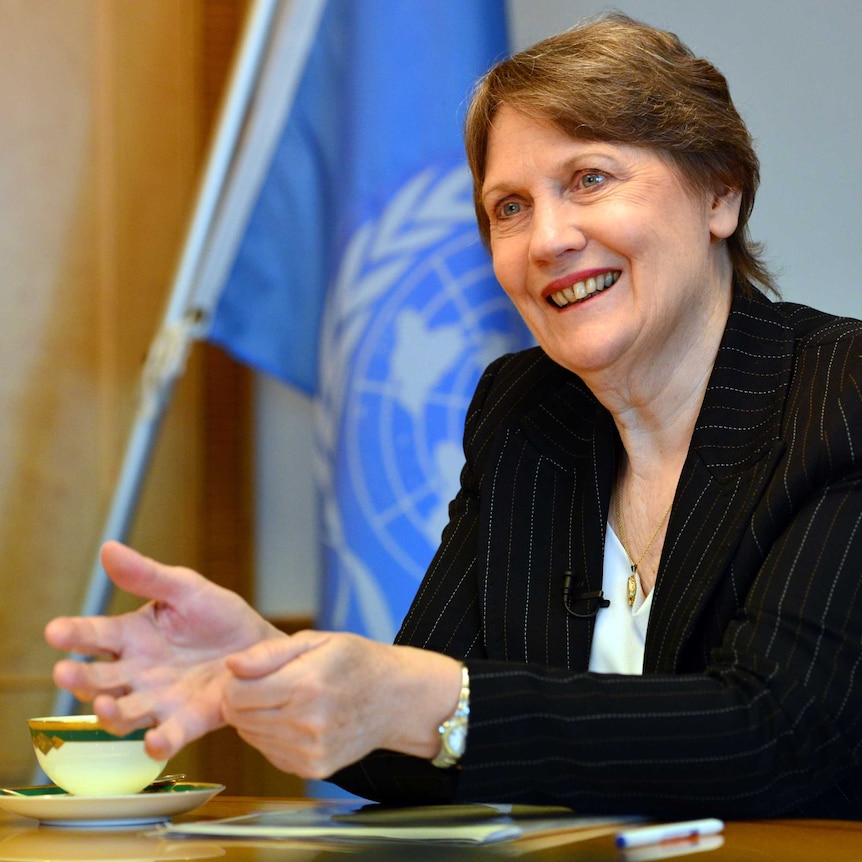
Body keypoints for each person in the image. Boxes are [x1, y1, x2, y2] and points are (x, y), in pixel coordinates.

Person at [45, 12, 862, 819]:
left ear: (721, 192)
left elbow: (779, 733)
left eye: (589, 179)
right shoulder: (524, 414)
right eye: (508, 207)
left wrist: (432, 703)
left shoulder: (841, 394)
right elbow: (426, 737)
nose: (547, 239)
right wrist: (271, 665)